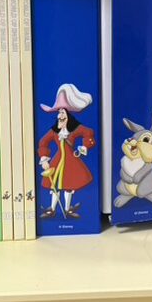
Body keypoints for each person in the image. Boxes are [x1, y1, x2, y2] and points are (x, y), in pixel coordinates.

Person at [37, 83, 96, 219]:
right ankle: (52, 209)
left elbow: (89, 133)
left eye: (62, 112)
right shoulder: (55, 131)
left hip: (71, 161)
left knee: (69, 185)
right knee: (54, 185)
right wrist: (44, 158)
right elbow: (43, 142)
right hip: (57, 161)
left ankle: (67, 209)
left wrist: (84, 147)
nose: (59, 116)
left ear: (68, 115)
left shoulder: (75, 129)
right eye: (59, 113)